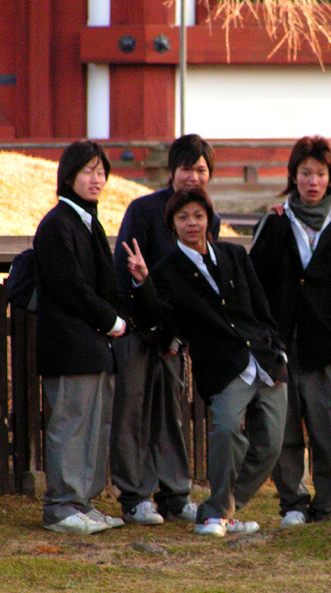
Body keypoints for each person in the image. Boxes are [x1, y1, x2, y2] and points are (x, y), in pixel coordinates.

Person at [123, 186, 288, 538]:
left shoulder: (233, 255)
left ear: (209, 220)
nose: (192, 223)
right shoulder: (167, 271)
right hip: (224, 368)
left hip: (265, 360)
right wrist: (143, 282)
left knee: (270, 444)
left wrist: (279, 350)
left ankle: (223, 511)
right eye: (182, 218)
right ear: (173, 226)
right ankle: (215, 514)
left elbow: (262, 307)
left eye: (198, 216)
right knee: (227, 431)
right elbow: (161, 321)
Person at [249, 135, 331, 528]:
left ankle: (330, 503)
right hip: (282, 345)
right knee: (283, 429)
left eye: (320, 173)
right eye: (305, 173)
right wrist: (274, 225)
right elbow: (257, 278)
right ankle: (293, 503)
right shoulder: (276, 220)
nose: (312, 182)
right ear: (293, 176)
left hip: (329, 347)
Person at [110, 134, 221, 525]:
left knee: (173, 415)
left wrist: (175, 336)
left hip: (174, 338)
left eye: (201, 169)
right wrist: (145, 326)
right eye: (187, 168)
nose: (194, 176)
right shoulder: (142, 210)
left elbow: (200, 283)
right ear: (172, 171)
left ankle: (175, 494)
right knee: (132, 412)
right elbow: (124, 273)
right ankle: (136, 496)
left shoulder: (209, 217)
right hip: (137, 331)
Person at [35, 140, 127, 534]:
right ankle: (61, 508)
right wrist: (111, 320)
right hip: (69, 345)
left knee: (95, 426)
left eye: (102, 171)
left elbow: (104, 283)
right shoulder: (57, 225)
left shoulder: (90, 222)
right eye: (89, 171)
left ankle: (83, 503)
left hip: (94, 347)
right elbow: (71, 287)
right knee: (70, 425)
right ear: (69, 175)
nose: (98, 179)